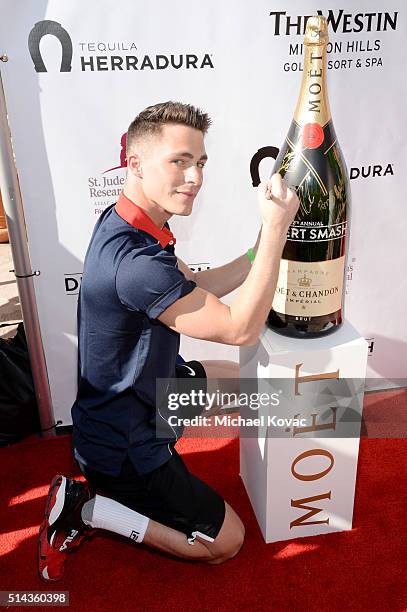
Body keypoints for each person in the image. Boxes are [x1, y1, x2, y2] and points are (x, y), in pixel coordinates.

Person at [38, 101, 299, 582]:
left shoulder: (131, 222)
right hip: (123, 448)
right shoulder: (136, 263)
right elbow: (240, 327)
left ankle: (310, 437)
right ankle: (88, 507)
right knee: (226, 543)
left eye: (200, 162)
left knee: (234, 380)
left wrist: (261, 242)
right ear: (134, 163)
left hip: (146, 398)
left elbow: (204, 287)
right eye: (179, 161)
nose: (195, 177)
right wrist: (281, 230)